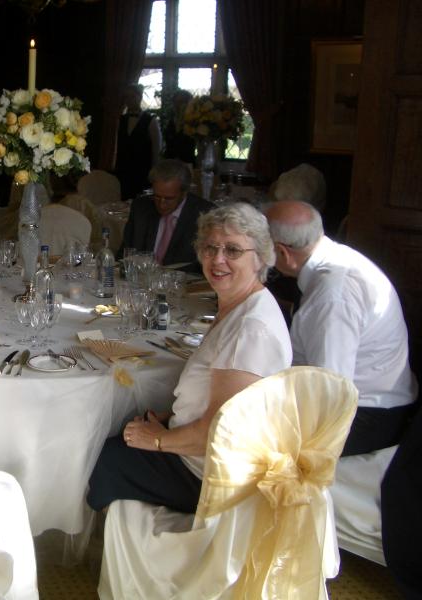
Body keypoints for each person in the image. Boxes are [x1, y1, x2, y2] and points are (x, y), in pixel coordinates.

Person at [88, 202, 292, 513]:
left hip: (209, 475)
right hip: (200, 453)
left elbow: (220, 431)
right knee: (120, 430)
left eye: (233, 250)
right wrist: (171, 420)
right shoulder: (241, 306)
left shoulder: (251, 331)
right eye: (210, 248)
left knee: (98, 458)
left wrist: (158, 440)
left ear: (261, 257)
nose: (218, 259)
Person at [263, 200, 418, 456]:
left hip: (368, 416)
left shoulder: (332, 296)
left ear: (282, 253)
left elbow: (330, 390)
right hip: (369, 403)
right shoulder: (337, 258)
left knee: (239, 433)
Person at [118, 159, 214, 269]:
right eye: (157, 196)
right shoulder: (141, 207)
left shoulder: (205, 214)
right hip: (142, 276)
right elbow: (125, 253)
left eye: (169, 199)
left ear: (184, 193)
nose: (162, 204)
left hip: (184, 277)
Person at [115, 84, 162, 201]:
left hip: (142, 171)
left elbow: (156, 149)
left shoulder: (151, 121)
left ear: (140, 97)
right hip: (123, 171)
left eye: (132, 96)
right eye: (127, 97)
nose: (129, 100)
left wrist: (154, 172)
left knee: (142, 202)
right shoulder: (120, 120)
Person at [161, 88, 197, 165]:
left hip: (187, 163)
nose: (177, 105)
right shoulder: (171, 121)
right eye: (175, 102)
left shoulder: (193, 122)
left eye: (181, 102)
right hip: (169, 163)